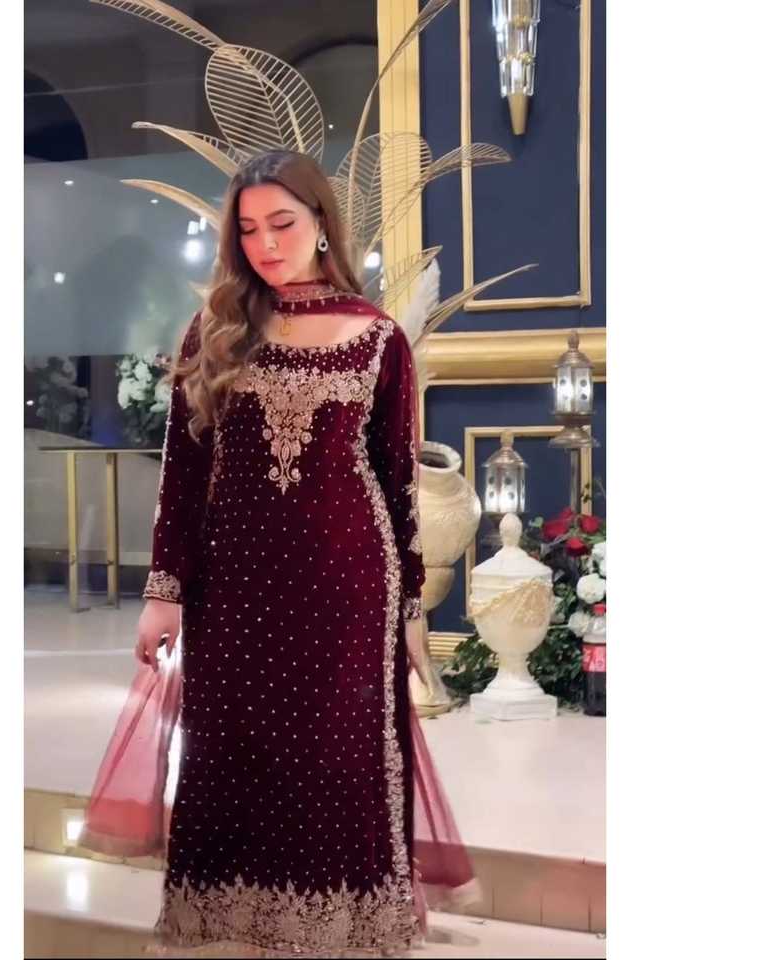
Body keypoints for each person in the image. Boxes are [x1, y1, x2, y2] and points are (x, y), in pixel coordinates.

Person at [79, 150, 479, 958]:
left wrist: (409, 608)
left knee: (336, 757)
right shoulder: (217, 331)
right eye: (249, 229)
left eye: (283, 224)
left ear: (322, 223)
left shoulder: (378, 339)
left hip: (346, 587)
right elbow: (183, 476)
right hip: (235, 586)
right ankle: (231, 924)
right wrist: (163, 593)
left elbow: (396, 483)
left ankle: (345, 925)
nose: (265, 244)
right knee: (233, 752)